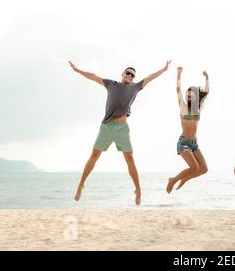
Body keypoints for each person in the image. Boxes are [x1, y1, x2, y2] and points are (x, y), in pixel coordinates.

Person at [69, 60, 172, 206]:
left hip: (122, 128)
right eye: (128, 73)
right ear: (122, 74)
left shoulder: (135, 87)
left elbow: (150, 77)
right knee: (94, 155)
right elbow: (93, 77)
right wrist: (78, 70)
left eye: (133, 75)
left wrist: (164, 69)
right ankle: (81, 185)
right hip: (106, 127)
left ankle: (138, 189)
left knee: (129, 158)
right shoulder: (111, 84)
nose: (130, 76)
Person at [166, 67, 210, 193]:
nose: (189, 97)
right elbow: (178, 89)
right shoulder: (183, 107)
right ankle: (173, 180)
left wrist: (207, 78)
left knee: (204, 169)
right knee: (194, 167)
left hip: (194, 144)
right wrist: (179, 74)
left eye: (191, 95)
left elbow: (206, 92)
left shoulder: (197, 109)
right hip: (184, 142)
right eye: (188, 95)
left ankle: (184, 179)